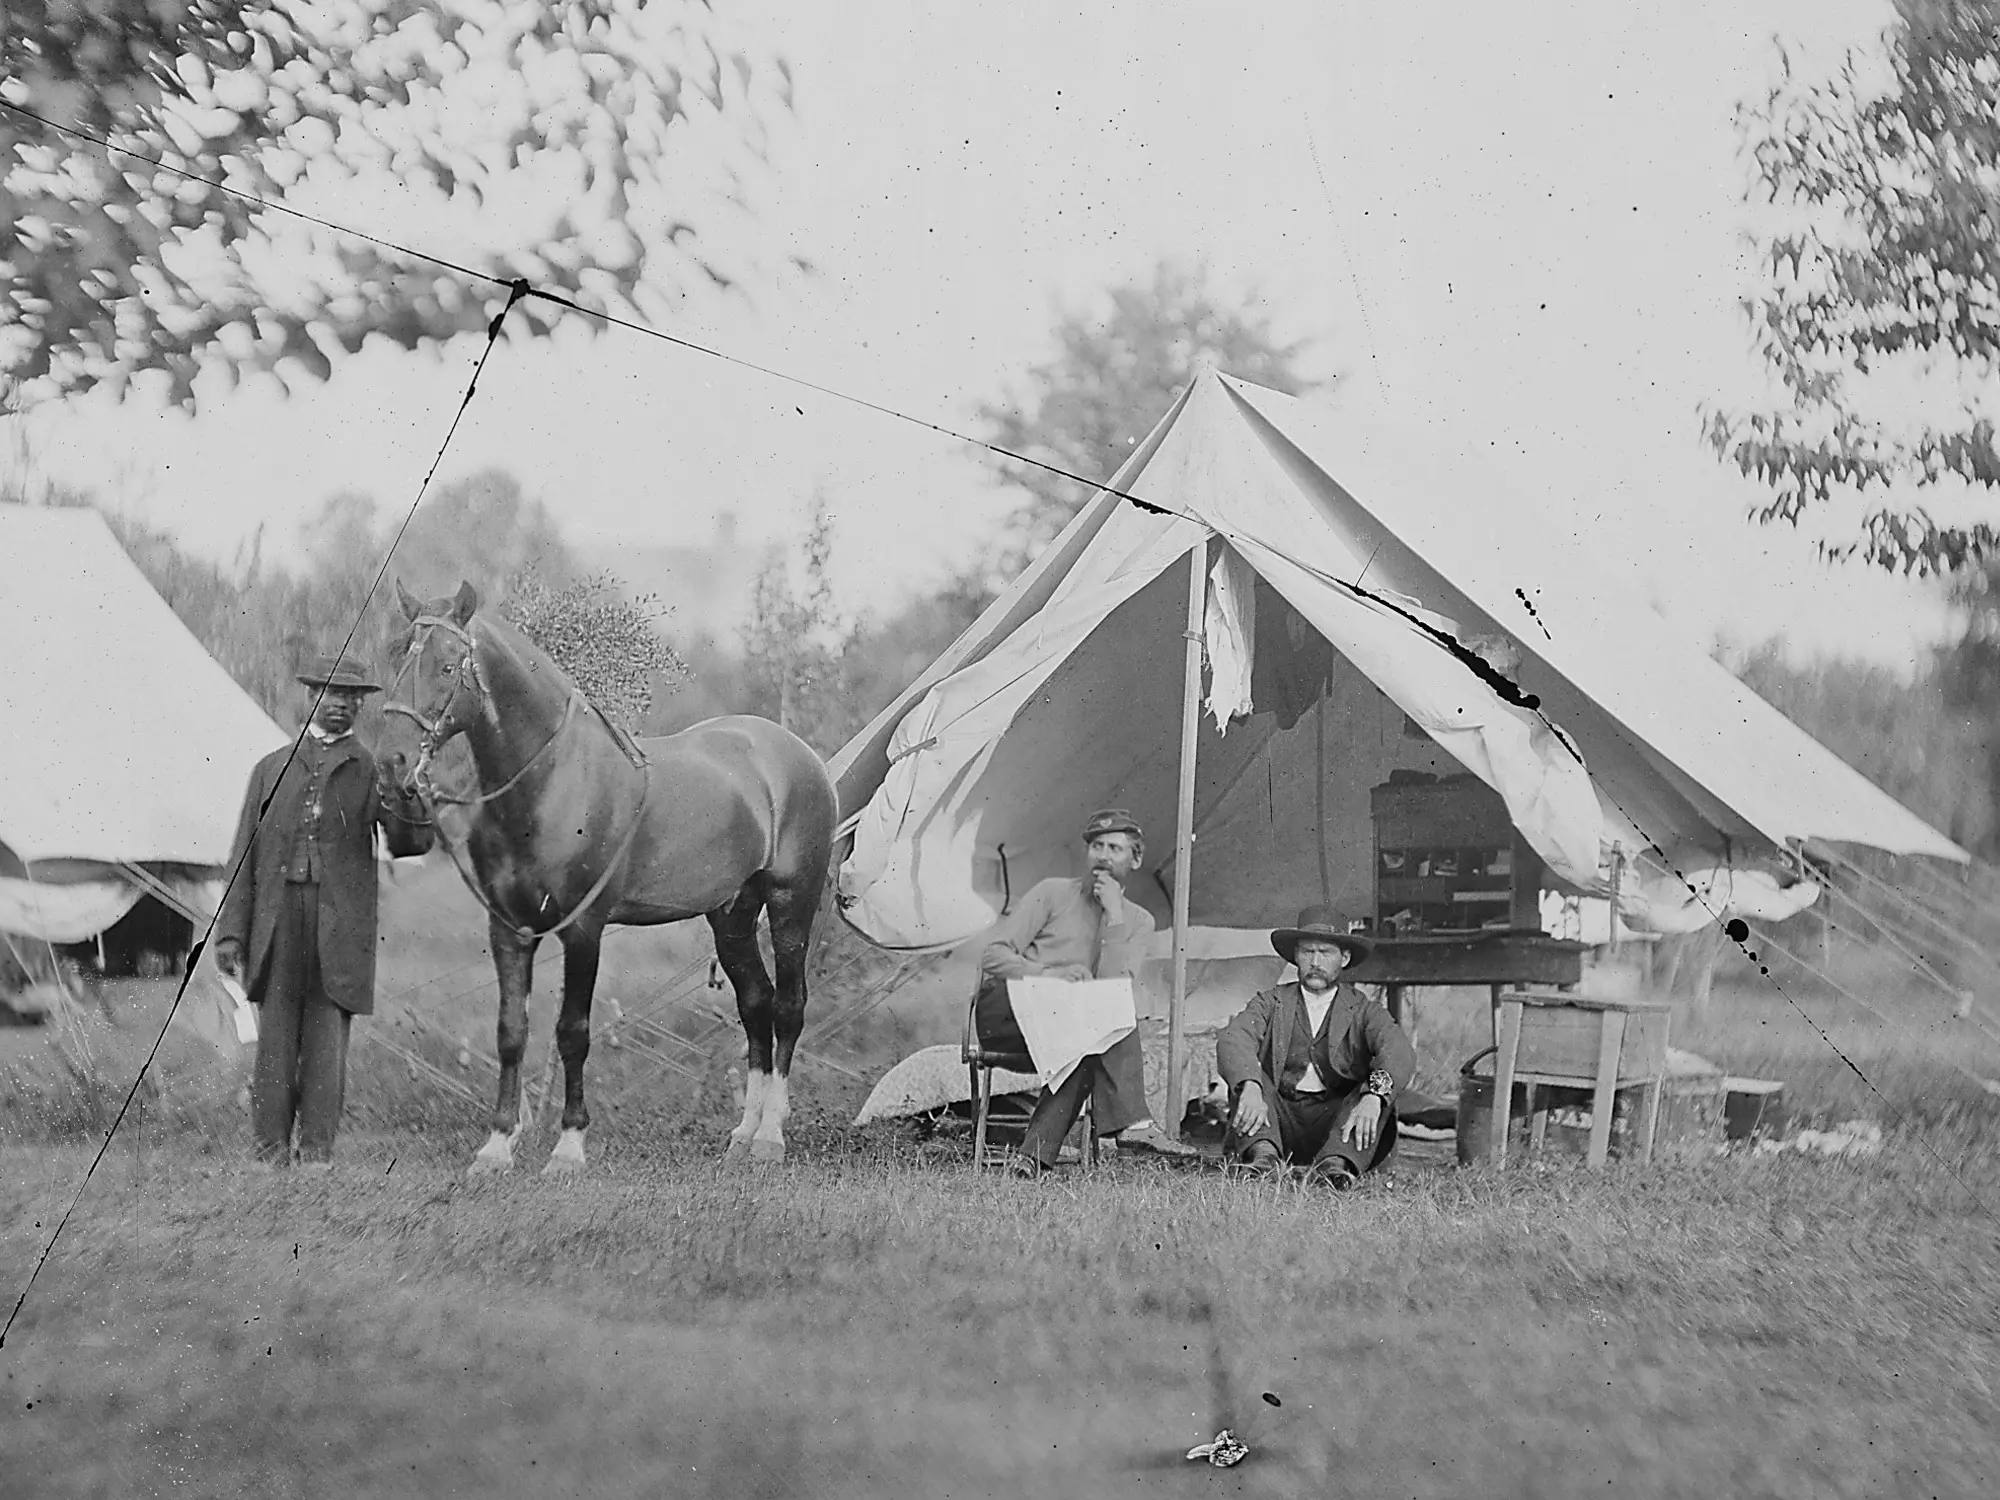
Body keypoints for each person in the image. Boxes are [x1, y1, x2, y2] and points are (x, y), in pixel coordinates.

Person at [214, 652, 432, 1168]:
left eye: (352, 698)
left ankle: (317, 1156)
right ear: (311, 697)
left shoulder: (372, 771)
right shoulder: (270, 770)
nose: (341, 706)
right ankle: (268, 1153)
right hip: (276, 922)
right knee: (274, 1041)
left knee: (326, 1041)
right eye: (332, 694)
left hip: (339, 926)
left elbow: (410, 843)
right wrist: (230, 935)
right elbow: (243, 856)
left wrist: (404, 790)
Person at [974, 808, 1161, 1175]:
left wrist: (1115, 916)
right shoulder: (1052, 893)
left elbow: (1114, 990)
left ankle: (1032, 1160)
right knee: (1093, 1035)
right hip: (1011, 1016)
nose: (1103, 856)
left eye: (1115, 849)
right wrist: (1048, 975)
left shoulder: (1138, 922)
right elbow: (993, 955)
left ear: (1135, 859)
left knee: (1093, 1040)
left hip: (1069, 1032)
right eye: (1097, 846)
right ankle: (1134, 1126)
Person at [1214, 905, 1416, 1189]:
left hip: (1335, 1124)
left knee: (1374, 1089)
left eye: (1326, 953)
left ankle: (1336, 1167)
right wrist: (1249, 1086)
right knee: (1251, 1079)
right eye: (1308, 952)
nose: (1315, 961)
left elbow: (1398, 1050)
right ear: (1296, 956)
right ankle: (1263, 1160)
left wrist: (1374, 1096)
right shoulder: (1271, 1002)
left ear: (1344, 958)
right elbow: (1234, 1038)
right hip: (1278, 1120)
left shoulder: (1363, 1009)